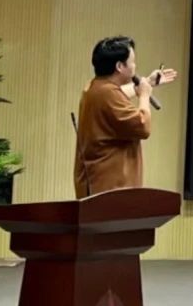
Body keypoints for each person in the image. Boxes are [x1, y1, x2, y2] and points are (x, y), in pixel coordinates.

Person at [74, 36, 176, 199]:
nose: (135, 66)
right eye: (132, 62)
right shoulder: (107, 93)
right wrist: (144, 96)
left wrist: (147, 82)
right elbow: (143, 126)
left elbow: (118, 95)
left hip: (101, 187)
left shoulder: (97, 87)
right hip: (110, 190)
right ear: (120, 66)